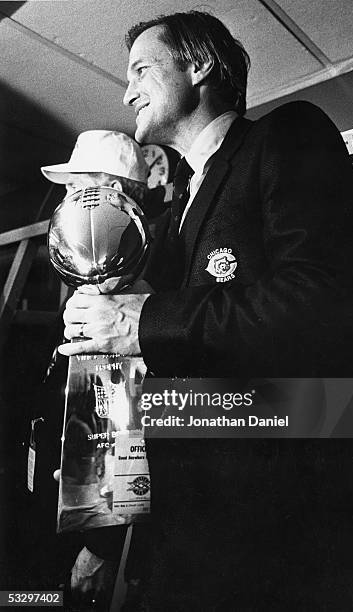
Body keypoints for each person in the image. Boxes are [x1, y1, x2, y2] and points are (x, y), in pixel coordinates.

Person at [58, 11, 353, 610]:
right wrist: (110, 487)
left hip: (286, 541)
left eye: (142, 70)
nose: (126, 91)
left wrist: (140, 323)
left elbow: (327, 308)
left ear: (199, 66)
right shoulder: (179, 208)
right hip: (189, 538)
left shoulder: (286, 135)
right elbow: (190, 387)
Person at [40, 129, 150, 608]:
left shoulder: (126, 307)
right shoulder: (93, 289)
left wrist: (99, 548)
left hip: (93, 526)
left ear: (115, 194)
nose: (68, 201)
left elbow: (121, 432)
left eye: (77, 187)